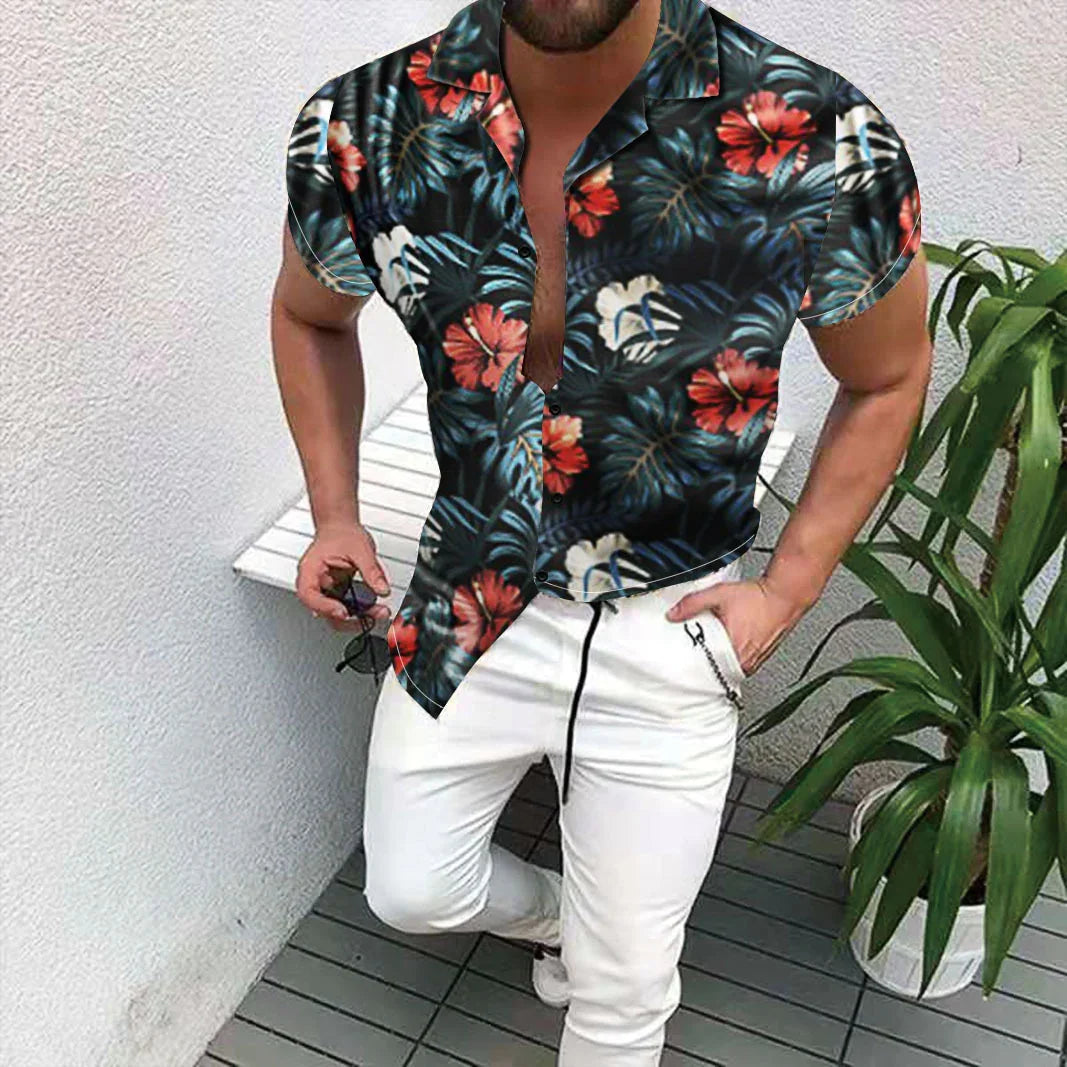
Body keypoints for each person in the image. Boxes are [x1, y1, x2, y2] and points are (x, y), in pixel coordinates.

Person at [271, 0, 932, 1062]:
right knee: (409, 885)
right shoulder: (362, 123)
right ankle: (567, 917)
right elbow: (309, 314)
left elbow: (888, 372)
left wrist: (786, 588)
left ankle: (609, 949)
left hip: (667, 619)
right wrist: (335, 512)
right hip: (466, 587)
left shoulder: (817, 133)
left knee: (624, 1002)